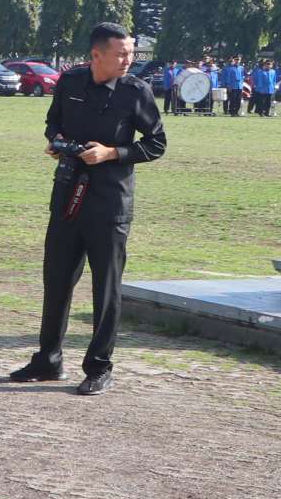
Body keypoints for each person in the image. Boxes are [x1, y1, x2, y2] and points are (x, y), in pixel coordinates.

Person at [10, 22, 166, 397]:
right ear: (96, 55)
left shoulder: (136, 92)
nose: (128, 60)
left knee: (106, 288)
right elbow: (53, 122)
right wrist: (57, 141)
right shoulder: (70, 82)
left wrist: (112, 153)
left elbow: (156, 143)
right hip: (67, 197)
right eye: (121, 54)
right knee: (56, 281)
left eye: (130, 53)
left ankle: (99, 367)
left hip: (109, 204)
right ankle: (48, 360)